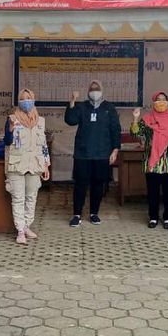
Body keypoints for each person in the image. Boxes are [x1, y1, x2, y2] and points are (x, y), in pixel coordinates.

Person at [64, 80, 121, 227]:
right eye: (92, 89)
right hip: (83, 153)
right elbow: (70, 120)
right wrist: (72, 101)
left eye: (97, 88)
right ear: (88, 91)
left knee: (98, 184)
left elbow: (115, 129)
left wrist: (115, 150)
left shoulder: (109, 108)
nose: (94, 91)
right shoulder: (82, 106)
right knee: (80, 184)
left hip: (102, 153)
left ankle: (94, 213)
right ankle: (76, 215)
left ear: (102, 90)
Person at [131, 91, 168, 229]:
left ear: (167, 102)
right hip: (152, 162)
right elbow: (136, 133)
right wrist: (136, 118)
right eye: (158, 99)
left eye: (163, 99)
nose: (161, 102)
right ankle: (153, 217)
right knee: (153, 192)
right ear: (153, 102)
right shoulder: (147, 118)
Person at [4, 88, 51, 245]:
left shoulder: (40, 121)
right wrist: (11, 129)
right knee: (18, 198)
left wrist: (46, 165)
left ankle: (26, 226)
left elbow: (43, 145)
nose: (26, 102)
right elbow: (6, 141)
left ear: (34, 100)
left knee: (31, 197)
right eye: (23, 99)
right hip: (17, 165)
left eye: (28, 98)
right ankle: (20, 230)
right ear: (19, 101)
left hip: (35, 164)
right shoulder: (12, 119)